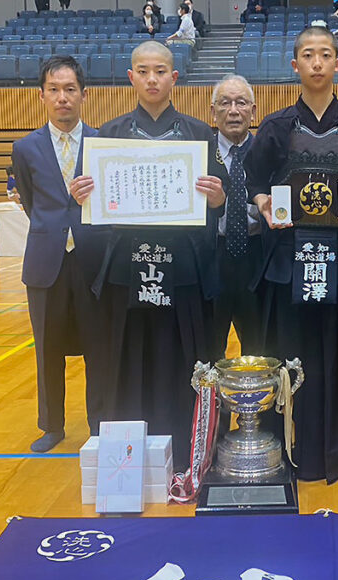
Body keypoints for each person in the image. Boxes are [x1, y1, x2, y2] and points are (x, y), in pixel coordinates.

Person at [243, 27, 338, 483]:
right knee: (290, 354)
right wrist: (264, 204)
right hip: (289, 259)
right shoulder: (275, 125)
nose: (316, 63)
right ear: (295, 66)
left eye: (325, 55)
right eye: (307, 55)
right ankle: (287, 450)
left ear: (337, 64)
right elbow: (254, 183)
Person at [69, 41, 227, 469]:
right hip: (127, 270)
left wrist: (217, 199)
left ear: (175, 78)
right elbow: (90, 216)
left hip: (183, 271)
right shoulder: (107, 137)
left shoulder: (199, 135)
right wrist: (80, 195)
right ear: (131, 78)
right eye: (144, 71)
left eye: (161, 71)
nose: (153, 79)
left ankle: (189, 452)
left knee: (184, 358)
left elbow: (223, 202)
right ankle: (130, 458)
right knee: (129, 359)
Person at [12, 55, 111, 453]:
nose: (62, 97)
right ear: (42, 96)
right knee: (47, 348)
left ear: (84, 95)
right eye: (54, 90)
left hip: (93, 260)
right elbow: (32, 201)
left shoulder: (104, 142)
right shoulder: (25, 148)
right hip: (45, 262)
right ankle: (51, 424)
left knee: (98, 347)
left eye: (70, 89)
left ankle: (101, 423)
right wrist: (55, 227)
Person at [211, 74, 264, 357]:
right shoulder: (201, 152)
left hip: (256, 260)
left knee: (259, 350)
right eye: (225, 103)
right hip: (212, 260)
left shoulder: (266, 151)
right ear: (213, 111)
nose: (233, 111)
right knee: (208, 350)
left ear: (253, 110)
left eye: (241, 103)